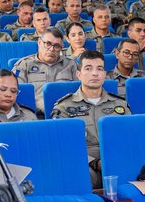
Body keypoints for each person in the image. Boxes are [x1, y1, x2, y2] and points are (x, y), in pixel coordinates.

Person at [52, 50, 131, 188]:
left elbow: (131, 137)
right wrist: (94, 163)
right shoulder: (64, 107)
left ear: (105, 75)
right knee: (79, 175)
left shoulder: (120, 104)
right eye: (88, 68)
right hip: (84, 163)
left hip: (118, 161)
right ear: (79, 74)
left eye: (99, 69)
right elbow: (63, 145)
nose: (95, 73)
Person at [12, 27, 78, 114]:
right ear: (39, 42)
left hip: (66, 114)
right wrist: (43, 106)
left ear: (62, 47)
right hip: (34, 115)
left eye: (57, 46)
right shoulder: (24, 65)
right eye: (48, 44)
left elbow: (79, 92)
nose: (51, 49)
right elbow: (17, 94)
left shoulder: (70, 65)